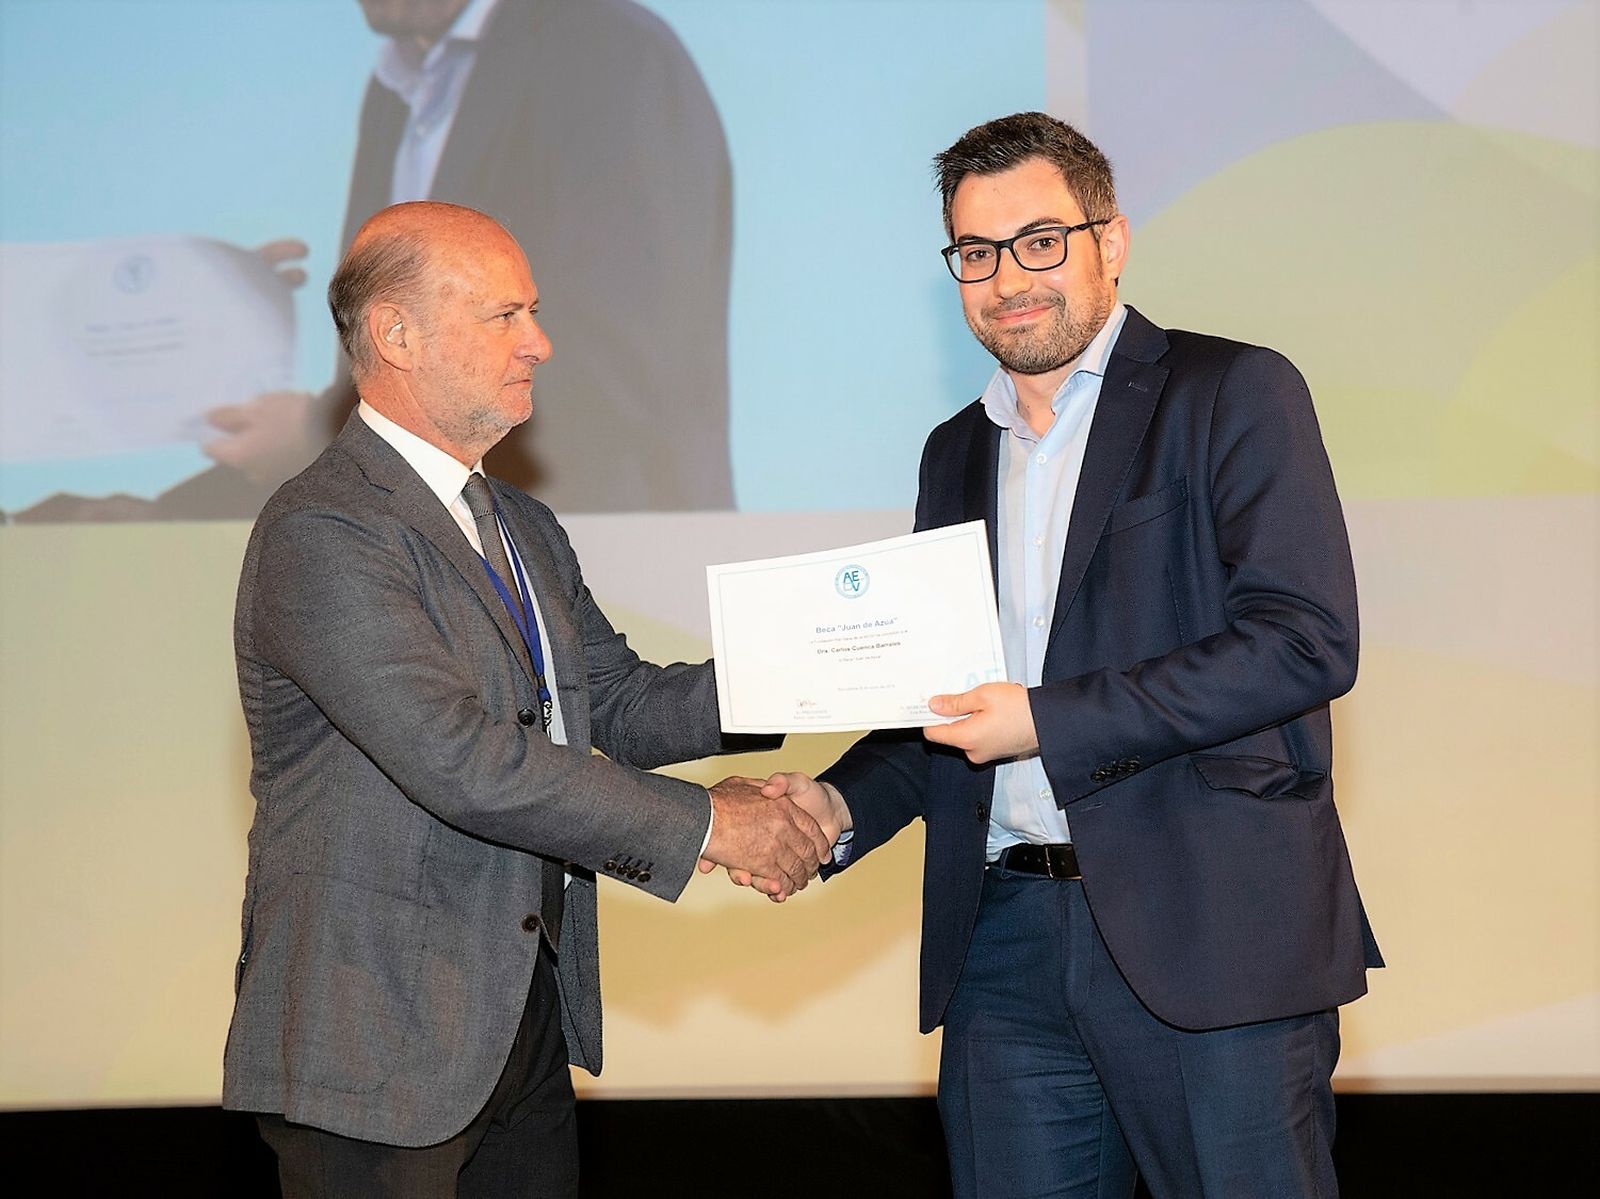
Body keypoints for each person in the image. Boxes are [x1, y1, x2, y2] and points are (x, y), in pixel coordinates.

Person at [743, 112, 1383, 1196]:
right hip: (1004, 948)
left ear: (1110, 240)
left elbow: (1303, 640)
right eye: (977, 252)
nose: (1009, 279)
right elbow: (952, 703)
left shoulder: (1231, 391)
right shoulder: (955, 452)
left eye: (1040, 241)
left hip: (1209, 932)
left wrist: (1044, 718)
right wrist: (833, 807)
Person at [225, 200, 826, 1198]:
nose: (539, 342)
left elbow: (618, 702)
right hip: (374, 1041)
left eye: (533, 312)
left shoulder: (521, 523)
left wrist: (825, 666)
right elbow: (464, 761)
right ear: (396, 334)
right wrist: (716, 825)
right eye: (504, 315)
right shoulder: (323, 529)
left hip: (518, 1026)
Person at [20, 0, 730, 520]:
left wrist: (317, 431)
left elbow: (621, 363)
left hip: (605, 563)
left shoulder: (609, 54)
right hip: (437, 553)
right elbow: (397, 346)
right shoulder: (397, 85)